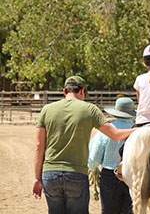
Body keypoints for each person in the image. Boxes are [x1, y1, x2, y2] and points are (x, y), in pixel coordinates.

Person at [31, 76, 135, 214]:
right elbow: (115, 134)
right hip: (76, 174)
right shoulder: (90, 109)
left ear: (64, 91)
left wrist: (37, 178)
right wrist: (137, 130)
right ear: (82, 91)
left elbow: (39, 146)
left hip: (50, 174)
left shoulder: (47, 109)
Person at [88, 97, 135, 214]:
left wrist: (93, 169)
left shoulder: (106, 131)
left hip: (109, 175)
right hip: (132, 175)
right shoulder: (138, 131)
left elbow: (94, 158)